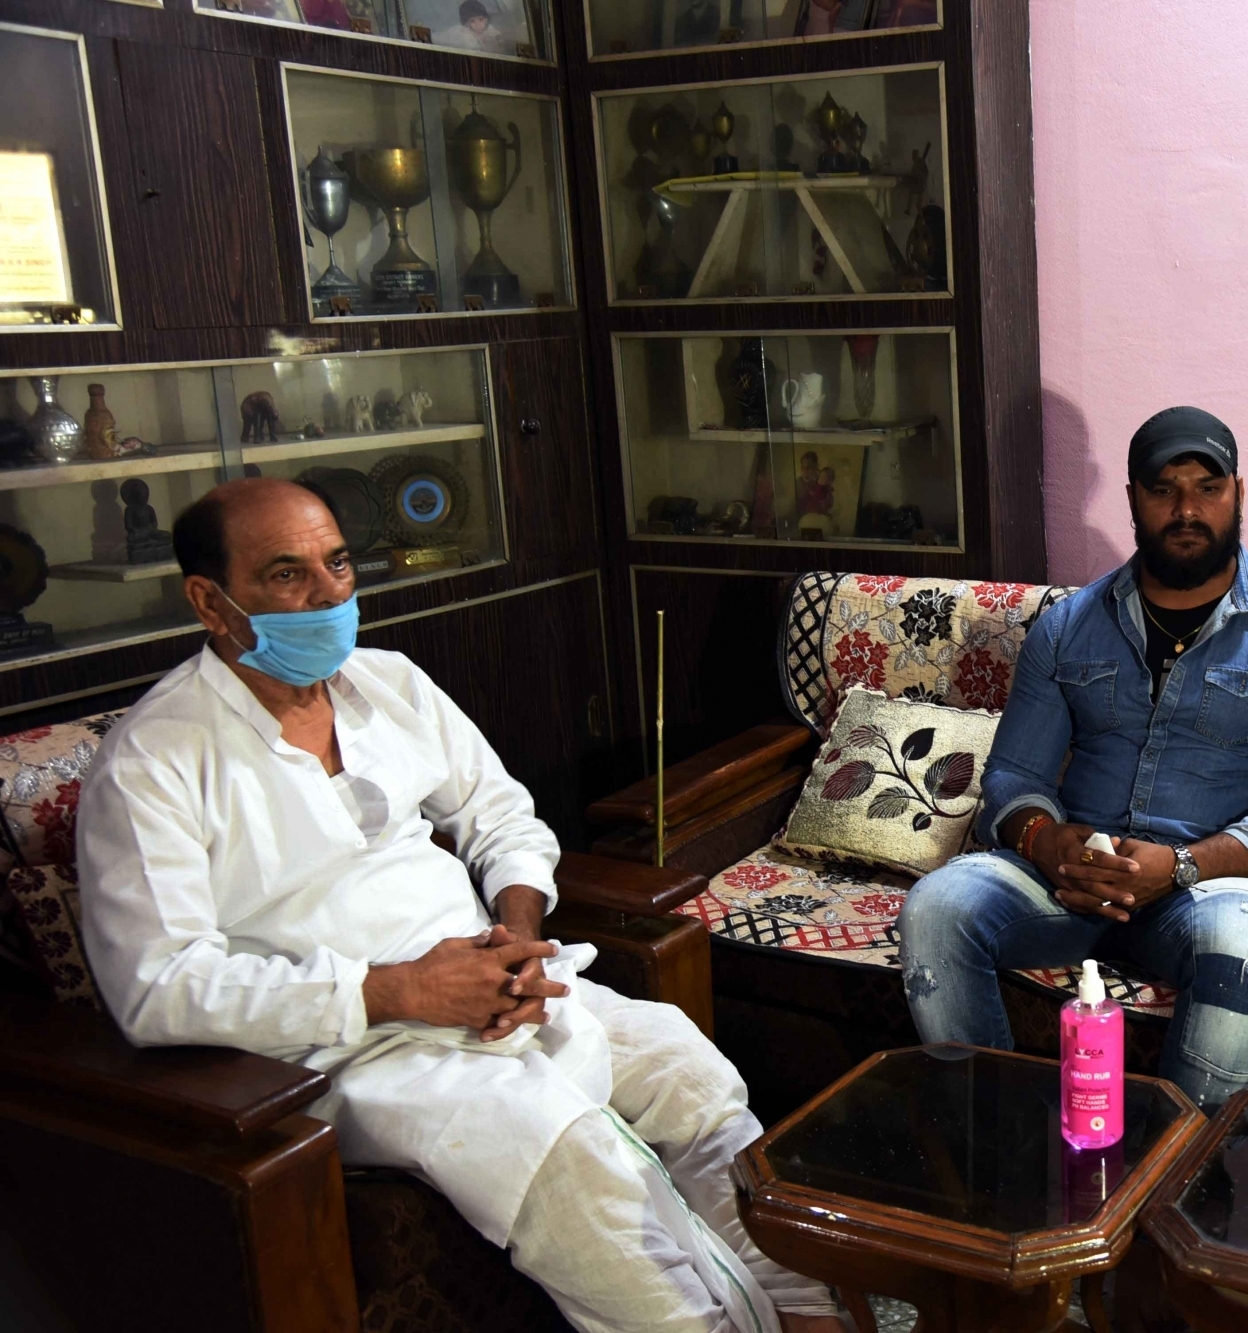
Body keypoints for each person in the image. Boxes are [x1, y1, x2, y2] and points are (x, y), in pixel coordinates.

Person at [77, 478, 844, 1333]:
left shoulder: (389, 684)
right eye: (287, 575)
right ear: (209, 601)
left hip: (494, 982)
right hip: (350, 1047)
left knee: (685, 1068)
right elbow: (158, 986)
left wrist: (516, 939)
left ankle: (808, 1314)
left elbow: (502, 815)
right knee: (561, 1149)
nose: (329, 595)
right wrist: (401, 989)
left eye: (338, 564)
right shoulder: (154, 760)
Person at [897, 407, 1248, 1109]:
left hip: (1205, 892)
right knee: (937, 907)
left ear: (1238, 493)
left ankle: (1174, 1165)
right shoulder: (1066, 626)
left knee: (1244, 945)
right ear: (1133, 498)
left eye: (1207, 488)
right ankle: (998, 1144)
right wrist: (1046, 841)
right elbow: (1014, 776)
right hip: (1070, 884)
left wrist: (1179, 866)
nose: (1186, 510)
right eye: (1163, 489)